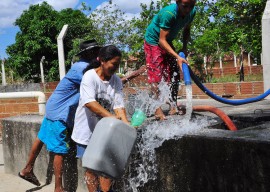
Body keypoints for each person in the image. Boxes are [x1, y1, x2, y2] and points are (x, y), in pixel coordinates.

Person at [19, 39, 102, 192]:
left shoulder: (80, 66)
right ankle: (59, 188)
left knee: (42, 136)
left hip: (54, 107)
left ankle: (27, 169)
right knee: (60, 150)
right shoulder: (83, 68)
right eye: (97, 51)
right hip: (60, 112)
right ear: (90, 53)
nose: (99, 55)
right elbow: (100, 84)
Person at [71, 45, 129, 192]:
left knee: (106, 169)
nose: (116, 68)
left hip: (105, 133)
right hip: (86, 132)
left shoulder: (115, 80)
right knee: (91, 170)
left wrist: (127, 127)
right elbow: (89, 103)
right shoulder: (89, 76)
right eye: (114, 64)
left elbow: (119, 106)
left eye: (118, 65)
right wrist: (112, 118)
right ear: (102, 61)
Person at [144, 0, 196, 120]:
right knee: (156, 75)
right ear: (177, 2)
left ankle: (173, 104)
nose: (188, 9)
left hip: (167, 41)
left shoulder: (192, 12)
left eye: (191, 6)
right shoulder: (169, 14)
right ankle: (157, 109)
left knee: (174, 72)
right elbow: (161, 40)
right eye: (185, 6)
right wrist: (178, 56)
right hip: (153, 40)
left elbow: (186, 30)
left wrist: (184, 48)